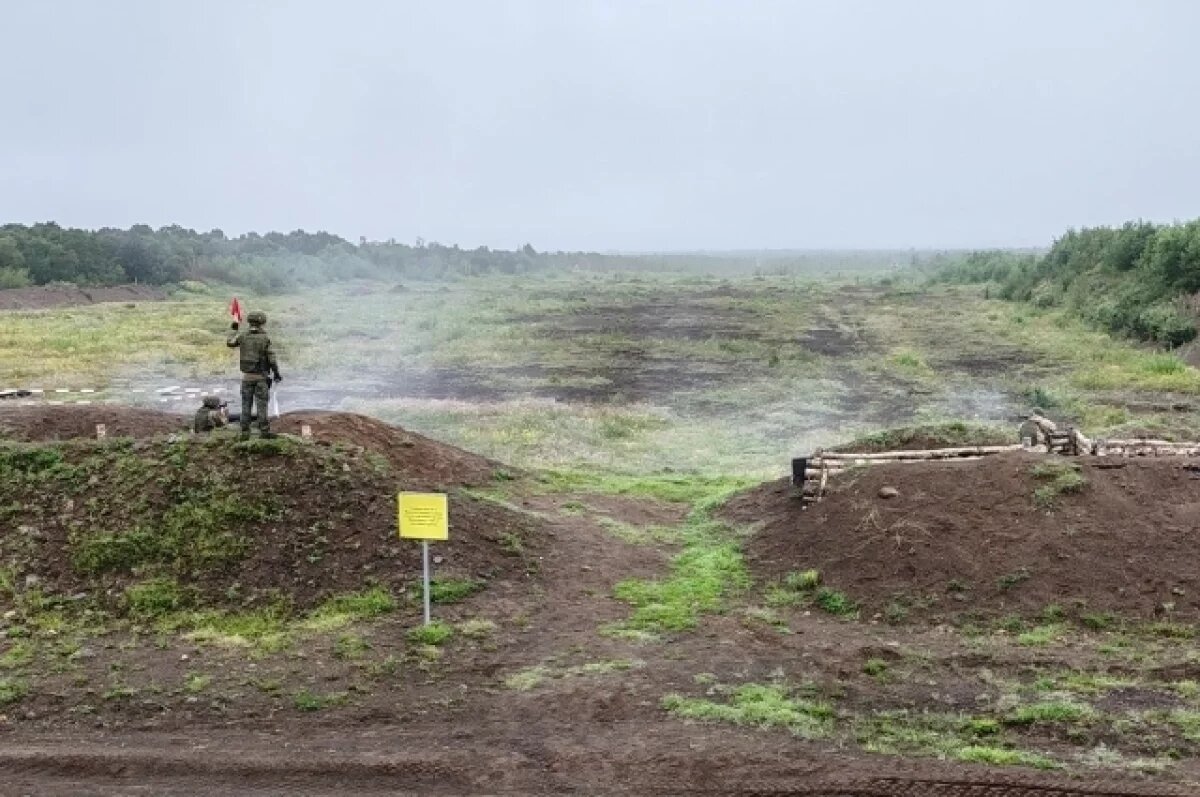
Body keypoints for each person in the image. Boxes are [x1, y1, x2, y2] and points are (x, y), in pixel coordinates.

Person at [226, 310, 282, 439]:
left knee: (246, 405)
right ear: (262, 322)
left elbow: (230, 343)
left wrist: (234, 328)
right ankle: (264, 433)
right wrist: (277, 374)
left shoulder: (243, 336)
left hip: (246, 378)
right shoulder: (265, 338)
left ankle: (244, 433)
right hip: (261, 378)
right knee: (262, 406)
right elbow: (272, 360)